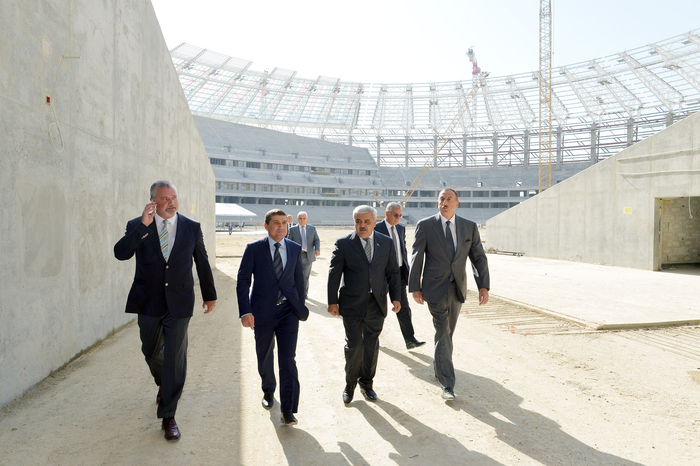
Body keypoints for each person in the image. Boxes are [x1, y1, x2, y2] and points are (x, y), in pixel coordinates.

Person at [114, 180, 217, 441]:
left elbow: (202, 261)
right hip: (147, 301)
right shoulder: (137, 225)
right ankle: (165, 384)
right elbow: (120, 253)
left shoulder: (191, 228)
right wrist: (143, 227)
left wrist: (209, 295)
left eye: (174, 197)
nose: (171, 202)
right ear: (153, 202)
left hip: (179, 302)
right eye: (165, 198)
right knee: (150, 350)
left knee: (174, 357)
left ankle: (168, 415)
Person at [408, 188, 490, 401]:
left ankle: (439, 363)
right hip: (434, 288)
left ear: (457, 203)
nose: (444, 202)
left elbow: (478, 258)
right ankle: (447, 384)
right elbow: (416, 257)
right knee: (443, 330)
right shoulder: (425, 225)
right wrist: (414, 286)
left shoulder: (469, 227)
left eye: (448, 199)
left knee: (447, 333)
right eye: (441, 199)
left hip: (457, 289)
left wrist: (484, 285)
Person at [236, 209, 309, 426]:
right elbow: (242, 282)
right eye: (275, 223)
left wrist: (299, 306)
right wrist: (245, 311)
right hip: (262, 312)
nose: (280, 227)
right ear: (266, 226)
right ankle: (268, 390)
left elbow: (299, 281)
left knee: (288, 359)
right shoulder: (254, 249)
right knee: (265, 354)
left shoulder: (295, 249)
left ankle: (288, 408)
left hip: (288, 312)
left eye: (284, 223)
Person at [327, 205, 401, 404]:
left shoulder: (385, 243)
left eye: (366, 221)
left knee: (371, 345)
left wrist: (396, 297)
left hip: (376, 303)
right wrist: (332, 301)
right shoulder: (343, 243)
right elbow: (334, 273)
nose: (362, 225)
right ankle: (350, 384)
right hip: (351, 303)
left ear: (375, 222)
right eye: (358, 221)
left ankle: (367, 384)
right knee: (354, 345)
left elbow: (393, 272)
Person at [375, 202, 425, 350]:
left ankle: (410, 339)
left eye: (400, 215)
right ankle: (371, 337)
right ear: (387, 214)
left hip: (398, 273)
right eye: (395, 215)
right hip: (380, 275)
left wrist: (406, 269)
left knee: (403, 307)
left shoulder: (401, 229)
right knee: (378, 308)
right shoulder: (376, 229)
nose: (398, 218)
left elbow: (402, 250)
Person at [287, 211, 321, 298]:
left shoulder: (312, 229)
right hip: (296, 256)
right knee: (297, 275)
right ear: (297, 219)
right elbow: (288, 242)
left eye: (304, 218)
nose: (302, 220)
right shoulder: (292, 230)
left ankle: (304, 293)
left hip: (308, 256)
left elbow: (316, 240)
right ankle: (296, 292)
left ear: (307, 219)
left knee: (306, 276)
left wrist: (317, 249)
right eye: (300, 218)